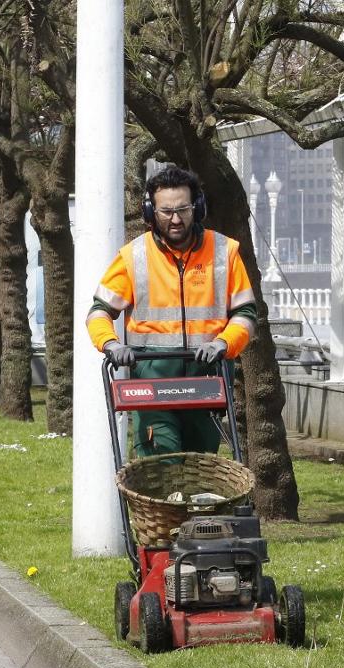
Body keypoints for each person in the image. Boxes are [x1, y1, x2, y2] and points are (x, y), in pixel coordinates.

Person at [87, 166, 257, 456]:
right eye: (166, 211)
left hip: (206, 385)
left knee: (201, 471)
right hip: (152, 388)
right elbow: (99, 312)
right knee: (161, 462)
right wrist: (111, 344)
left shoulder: (223, 252)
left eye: (184, 209)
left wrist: (223, 343)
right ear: (151, 211)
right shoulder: (133, 257)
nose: (176, 219)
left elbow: (245, 314)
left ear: (198, 207)